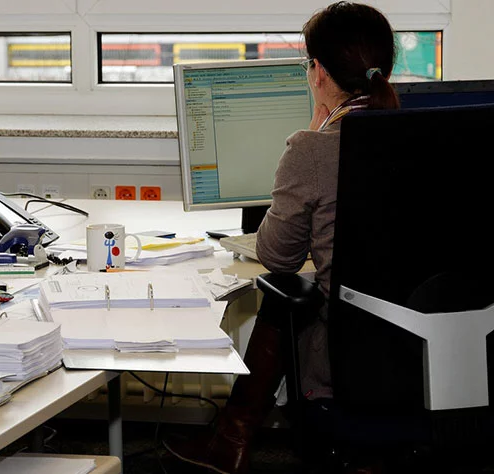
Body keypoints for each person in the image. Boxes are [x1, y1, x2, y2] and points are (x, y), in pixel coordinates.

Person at [163, 2, 400, 473]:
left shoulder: (314, 148)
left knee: (285, 295)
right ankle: (232, 437)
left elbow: (277, 256)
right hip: (426, 348)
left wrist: (310, 137)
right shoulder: (425, 133)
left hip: (349, 358)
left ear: (318, 72)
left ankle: (232, 438)